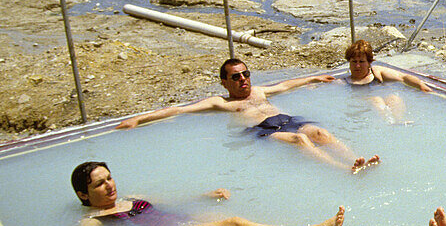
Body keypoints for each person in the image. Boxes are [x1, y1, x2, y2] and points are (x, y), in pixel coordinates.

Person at [116, 58, 379, 173]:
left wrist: (314, 77)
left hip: (286, 119)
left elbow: (288, 84)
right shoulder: (221, 102)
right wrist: (139, 119)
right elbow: (179, 110)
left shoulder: (261, 91)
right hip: (263, 131)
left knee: (319, 133)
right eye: (236, 77)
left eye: (245, 74)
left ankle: (357, 159)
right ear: (224, 82)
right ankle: (344, 169)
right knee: (301, 141)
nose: (243, 80)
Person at [72, 161, 353, 226]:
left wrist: (205, 195)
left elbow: (171, 201)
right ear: (84, 195)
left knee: (235, 218)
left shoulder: (129, 198)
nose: (109, 185)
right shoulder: (91, 220)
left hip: (177, 219)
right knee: (234, 225)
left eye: (109, 178)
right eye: (99, 184)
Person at [344, 39, 430, 123]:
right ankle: (389, 123)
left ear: (369, 62)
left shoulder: (377, 72)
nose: (357, 65)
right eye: (354, 62)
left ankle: (398, 122)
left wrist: (421, 85)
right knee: (376, 99)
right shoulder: (345, 81)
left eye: (361, 62)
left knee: (394, 98)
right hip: (363, 105)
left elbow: (403, 77)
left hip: (380, 102)